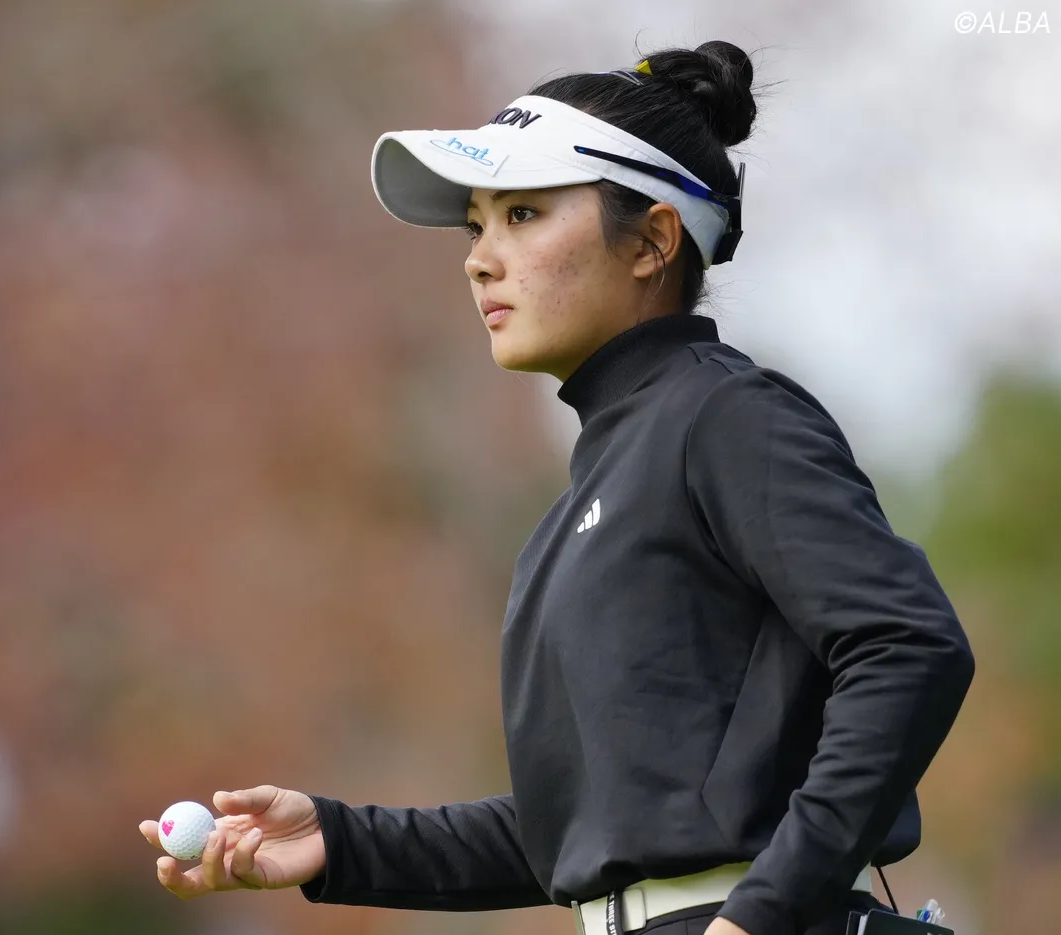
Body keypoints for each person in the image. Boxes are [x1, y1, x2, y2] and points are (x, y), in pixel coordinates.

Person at [138, 40, 975, 935]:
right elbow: (588, 828)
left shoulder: (726, 416)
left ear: (652, 240)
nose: (480, 259)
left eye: (524, 213)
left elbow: (908, 643)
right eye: (476, 227)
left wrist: (761, 915)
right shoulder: (578, 506)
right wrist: (340, 841)